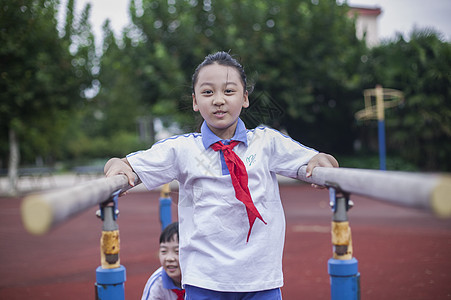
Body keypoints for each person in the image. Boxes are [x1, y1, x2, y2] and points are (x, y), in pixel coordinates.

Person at [105, 51, 339, 299]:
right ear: (195, 101)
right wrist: (117, 166)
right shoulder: (183, 149)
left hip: (260, 278)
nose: (218, 100)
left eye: (229, 91)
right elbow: (126, 165)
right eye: (208, 92)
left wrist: (324, 162)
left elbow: (315, 160)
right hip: (205, 279)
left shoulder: (266, 143)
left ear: (245, 98)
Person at [141, 222, 185, 300]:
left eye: (177, 251)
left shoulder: (200, 279)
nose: (169, 258)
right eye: (164, 251)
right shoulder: (157, 283)